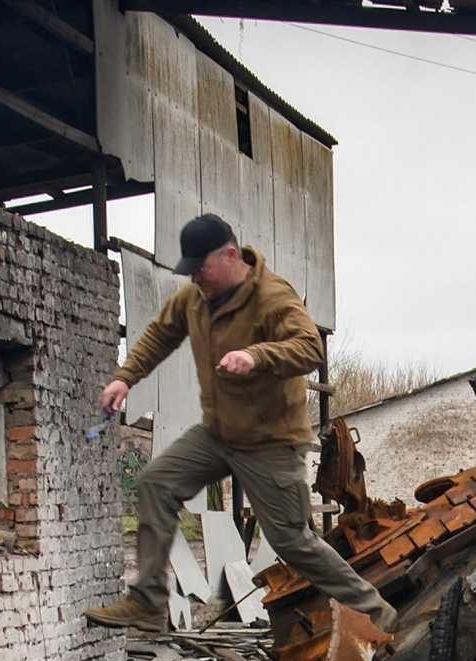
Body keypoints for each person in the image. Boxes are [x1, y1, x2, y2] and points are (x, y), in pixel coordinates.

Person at [85, 213, 399, 634]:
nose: (195, 277)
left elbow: (309, 348)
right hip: (218, 433)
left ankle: (381, 615)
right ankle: (147, 602)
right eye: (190, 270)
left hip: (271, 440)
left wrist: (257, 356)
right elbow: (160, 335)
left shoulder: (271, 295)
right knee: (156, 483)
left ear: (231, 256)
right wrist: (125, 377)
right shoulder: (193, 299)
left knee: (293, 542)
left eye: (201, 268)